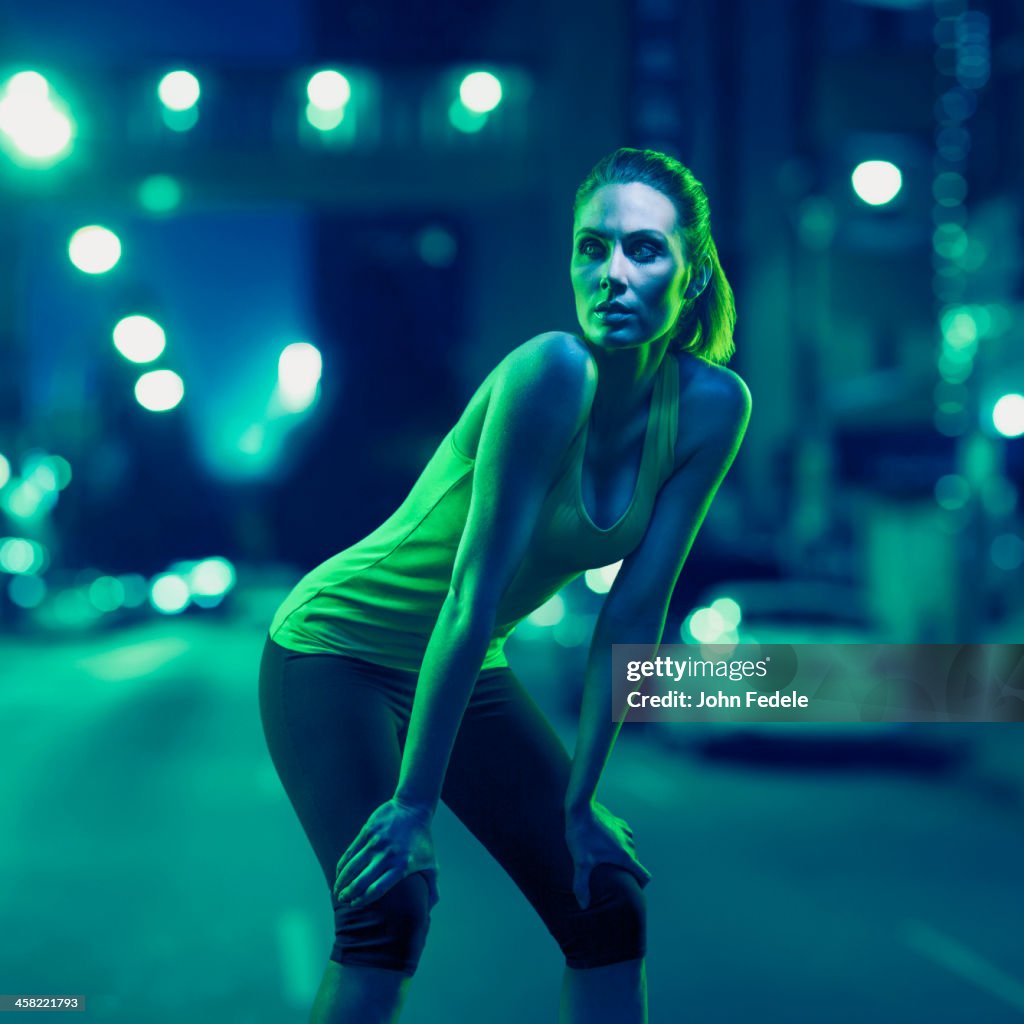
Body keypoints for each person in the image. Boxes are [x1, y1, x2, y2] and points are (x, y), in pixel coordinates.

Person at [258, 147, 751, 1023]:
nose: (613, 274)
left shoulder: (713, 408)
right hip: (337, 650)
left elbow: (635, 611)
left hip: (465, 666)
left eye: (644, 250)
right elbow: (468, 595)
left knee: (606, 902)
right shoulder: (549, 372)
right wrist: (412, 807)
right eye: (591, 249)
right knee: (387, 907)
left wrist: (583, 801)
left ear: (695, 271)